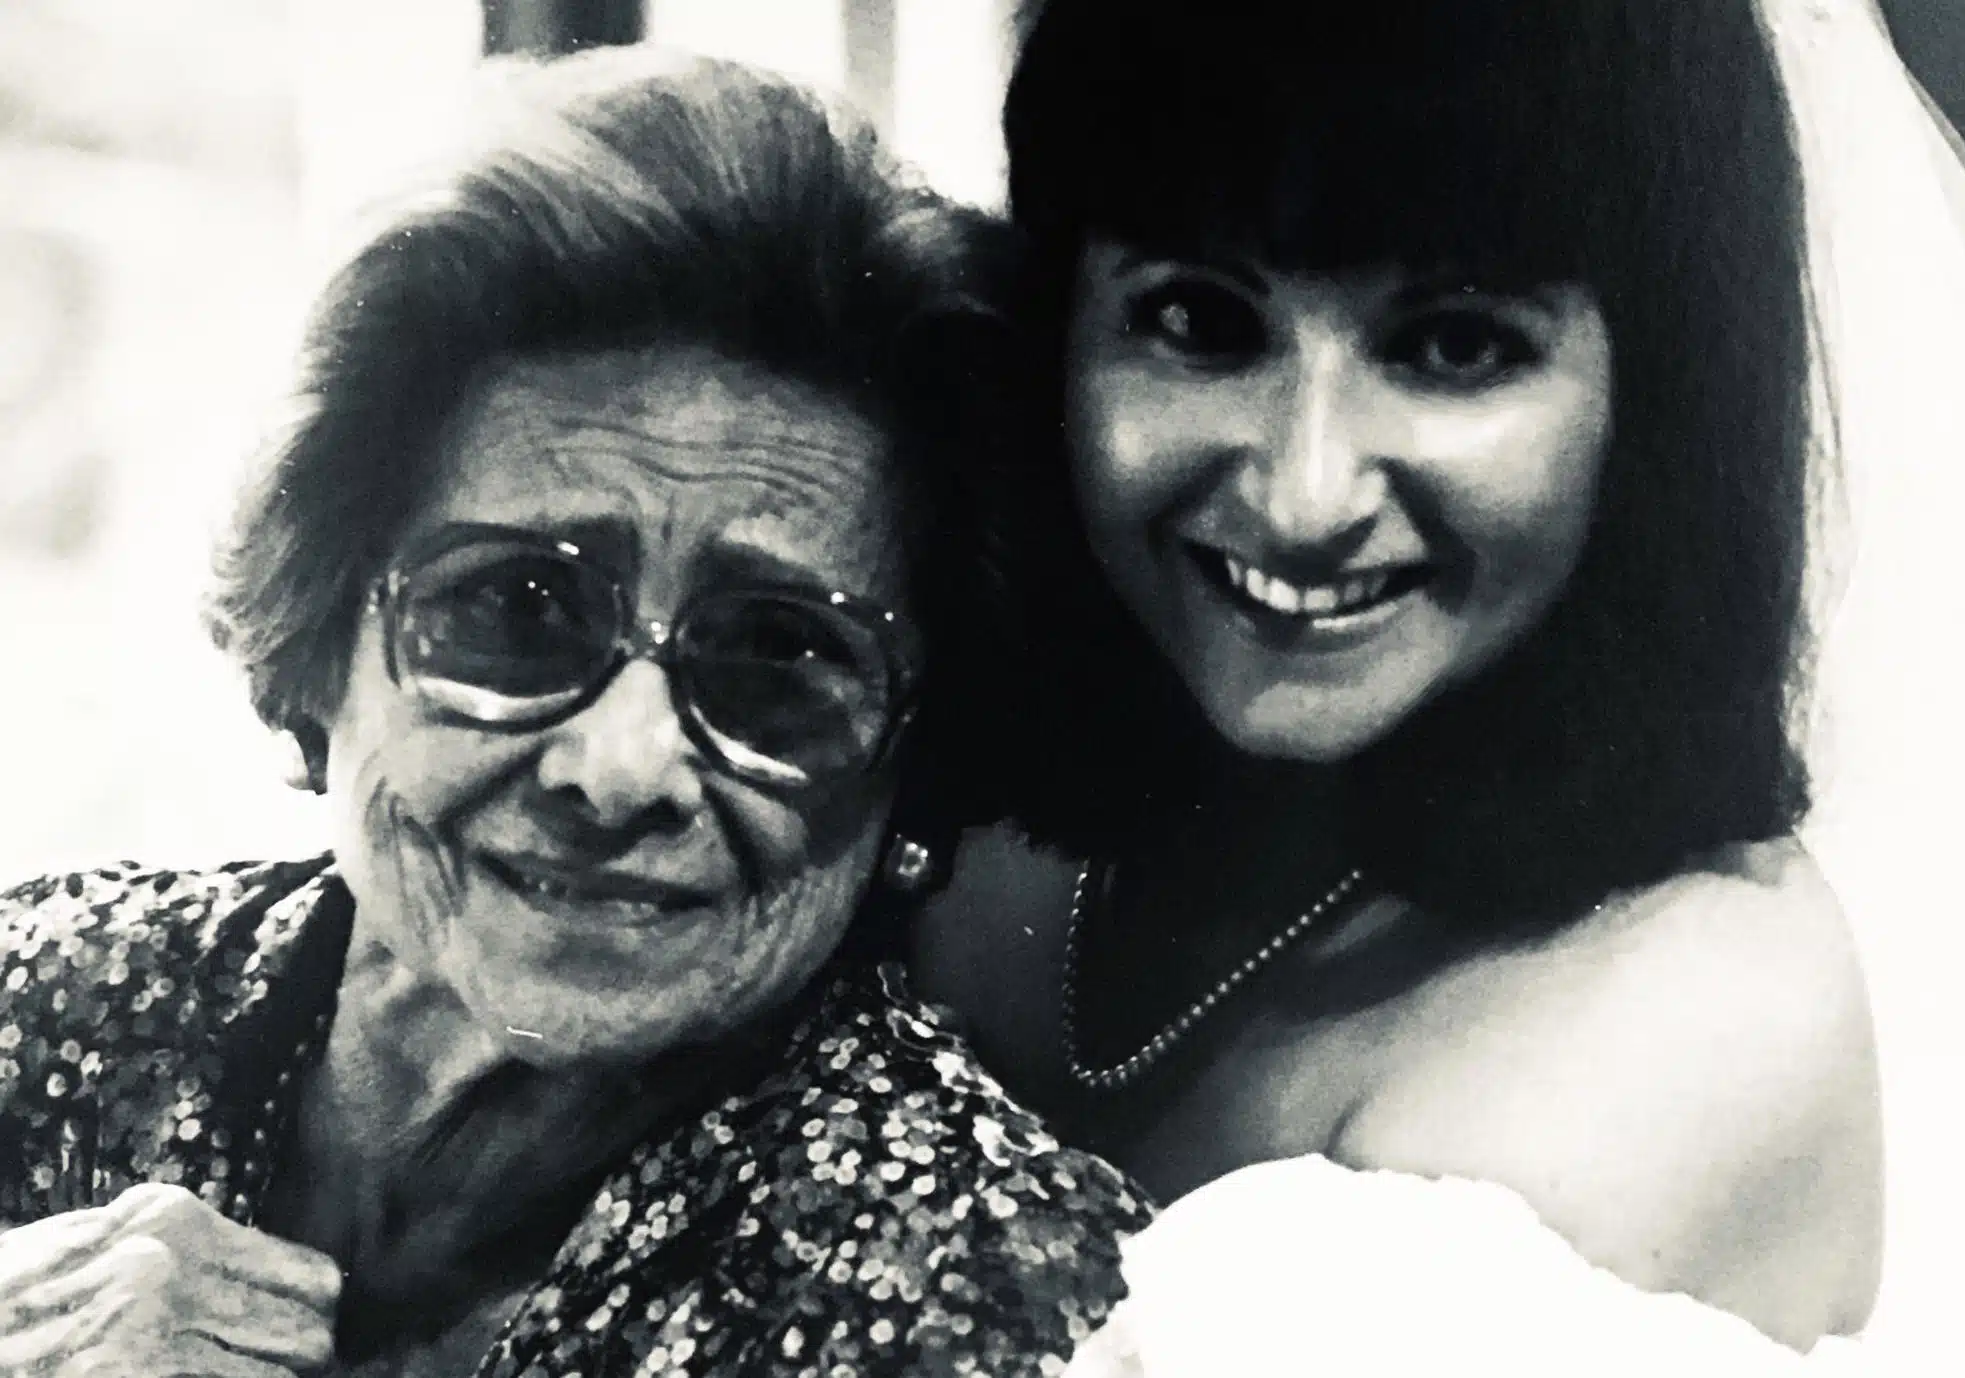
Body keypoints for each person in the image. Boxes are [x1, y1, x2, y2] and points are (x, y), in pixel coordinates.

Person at [912, 0, 1965, 1371]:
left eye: (1453, 346)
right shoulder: (986, 828)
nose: (1303, 488)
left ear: (1656, 400)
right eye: (1199, 320)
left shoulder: (1686, 1024)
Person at [0, 50, 1150, 1378]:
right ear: (322, 641)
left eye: (778, 657)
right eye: (517, 608)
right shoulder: (50, 999)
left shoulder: (990, 1298)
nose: (619, 765)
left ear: (915, 773)